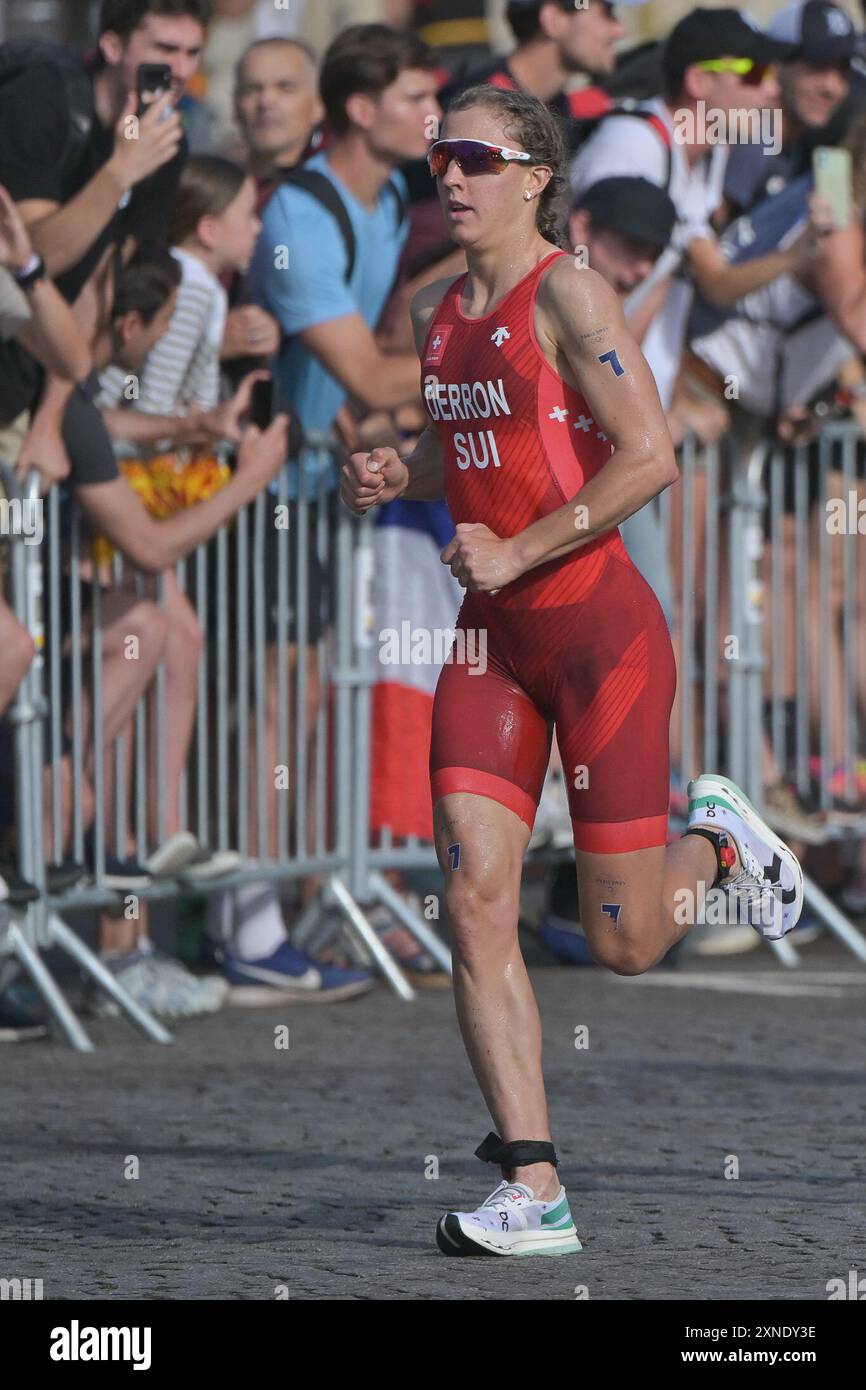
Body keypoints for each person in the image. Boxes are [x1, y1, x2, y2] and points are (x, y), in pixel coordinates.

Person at [341, 85, 805, 1258]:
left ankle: (717, 839)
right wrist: (407, 474)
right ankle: (532, 1185)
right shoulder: (434, 314)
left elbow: (647, 458)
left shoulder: (573, 293)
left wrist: (514, 547)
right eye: (440, 156)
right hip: (491, 642)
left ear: (535, 175)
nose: (449, 175)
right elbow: (476, 450)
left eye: (475, 158)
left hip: (596, 630)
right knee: (473, 901)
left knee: (625, 942)